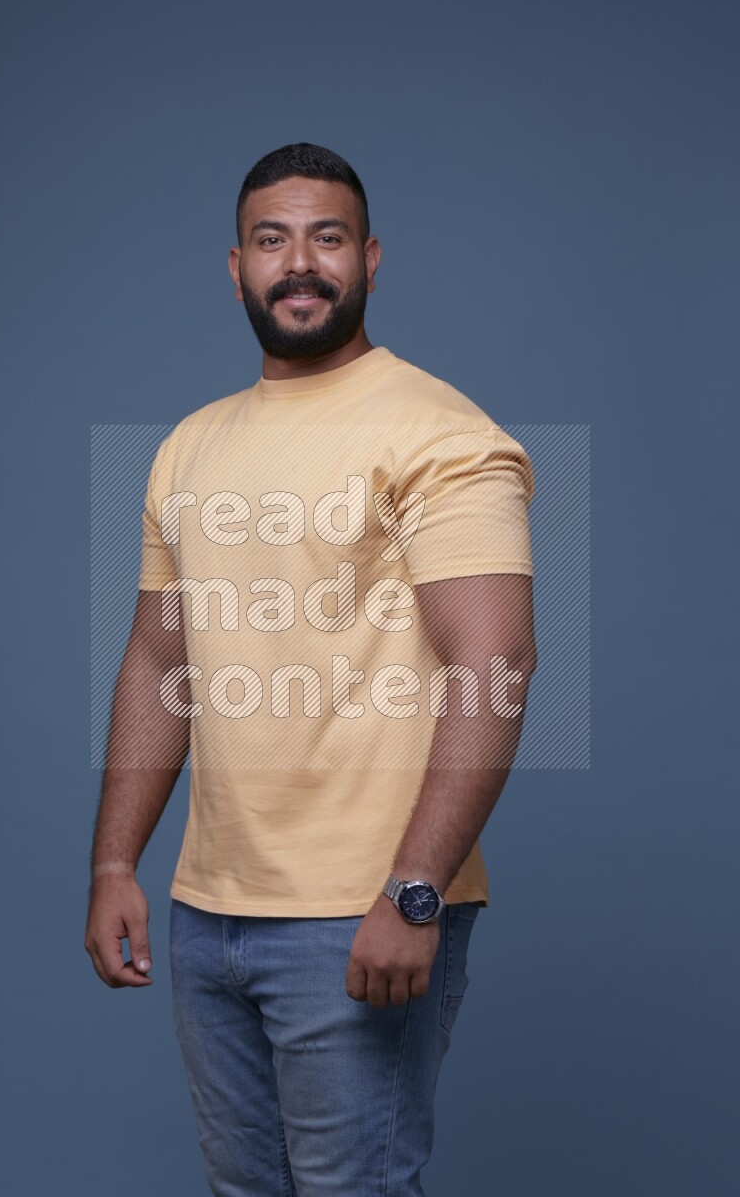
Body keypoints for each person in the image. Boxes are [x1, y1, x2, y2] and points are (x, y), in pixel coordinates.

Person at [85, 142, 538, 1195]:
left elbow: (495, 657)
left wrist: (415, 893)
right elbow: (162, 657)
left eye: (326, 238)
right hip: (209, 915)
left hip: (363, 907)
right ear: (234, 266)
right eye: (272, 240)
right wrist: (117, 864)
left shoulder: (438, 432)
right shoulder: (188, 448)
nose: (300, 263)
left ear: (370, 260)